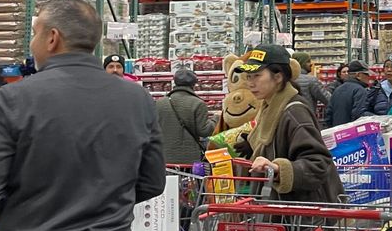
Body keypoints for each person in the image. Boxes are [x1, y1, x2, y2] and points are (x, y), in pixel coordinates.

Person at [0, 0, 165, 231]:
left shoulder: (13, 99)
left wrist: (25, 216)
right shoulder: (138, 99)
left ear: (52, 38)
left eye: (34, 34)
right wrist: (106, 205)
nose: (32, 43)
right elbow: (152, 182)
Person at [238, 44, 343, 200]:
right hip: (280, 209)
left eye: (257, 75)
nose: (251, 83)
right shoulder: (268, 108)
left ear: (278, 77)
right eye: (248, 76)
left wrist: (279, 168)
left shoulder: (294, 112)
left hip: (300, 214)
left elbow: (318, 164)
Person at [154, 67, 213, 164]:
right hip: (188, 159)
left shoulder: (159, 103)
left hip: (163, 158)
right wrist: (216, 119)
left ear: (175, 82)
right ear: (193, 84)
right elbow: (204, 131)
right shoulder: (197, 103)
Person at [324, 60, 370, 126]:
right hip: (351, 133)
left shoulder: (338, 89)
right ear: (359, 75)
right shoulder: (360, 91)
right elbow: (358, 115)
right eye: (367, 74)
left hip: (337, 132)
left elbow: (328, 114)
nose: (369, 77)